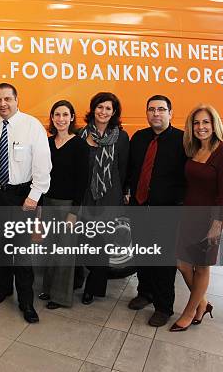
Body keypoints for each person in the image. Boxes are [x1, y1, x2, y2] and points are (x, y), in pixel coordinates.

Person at [0, 83, 50, 322]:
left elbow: (42, 164)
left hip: (22, 197)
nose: (3, 104)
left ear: (17, 100)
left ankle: (26, 302)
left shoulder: (32, 126)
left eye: (7, 98)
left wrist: (34, 196)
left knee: (21, 251)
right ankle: (3, 290)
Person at [170, 105, 223, 332]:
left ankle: (190, 311)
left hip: (209, 220)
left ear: (214, 124)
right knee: (182, 264)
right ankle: (203, 303)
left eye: (205, 122)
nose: (201, 127)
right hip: (189, 215)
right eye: (196, 123)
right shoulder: (194, 150)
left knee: (202, 267)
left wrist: (217, 224)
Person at [126, 95, 187, 327]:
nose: (156, 114)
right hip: (140, 207)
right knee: (142, 254)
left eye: (161, 109)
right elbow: (132, 170)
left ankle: (164, 306)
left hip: (167, 211)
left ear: (170, 113)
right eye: (151, 109)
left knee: (163, 261)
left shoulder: (183, 140)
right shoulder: (139, 138)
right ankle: (145, 293)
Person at [78, 92, 129, 305]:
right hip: (87, 195)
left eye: (108, 108)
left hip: (111, 194)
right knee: (88, 241)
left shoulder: (121, 136)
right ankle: (79, 279)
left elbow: (124, 166)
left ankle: (93, 288)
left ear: (114, 112)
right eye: (100, 107)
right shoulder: (81, 135)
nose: (103, 112)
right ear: (93, 109)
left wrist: (125, 191)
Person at [40, 100, 88, 310]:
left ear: (71, 118)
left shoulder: (79, 144)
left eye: (65, 115)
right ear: (52, 118)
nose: (61, 119)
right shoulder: (47, 143)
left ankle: (60, 297)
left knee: (64, 252)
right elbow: (40, 176)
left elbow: (82, 181)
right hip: (48, 203)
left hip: (68, 205)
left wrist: (73, 212)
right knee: (49, 249)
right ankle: (49, 289)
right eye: (57, 114)